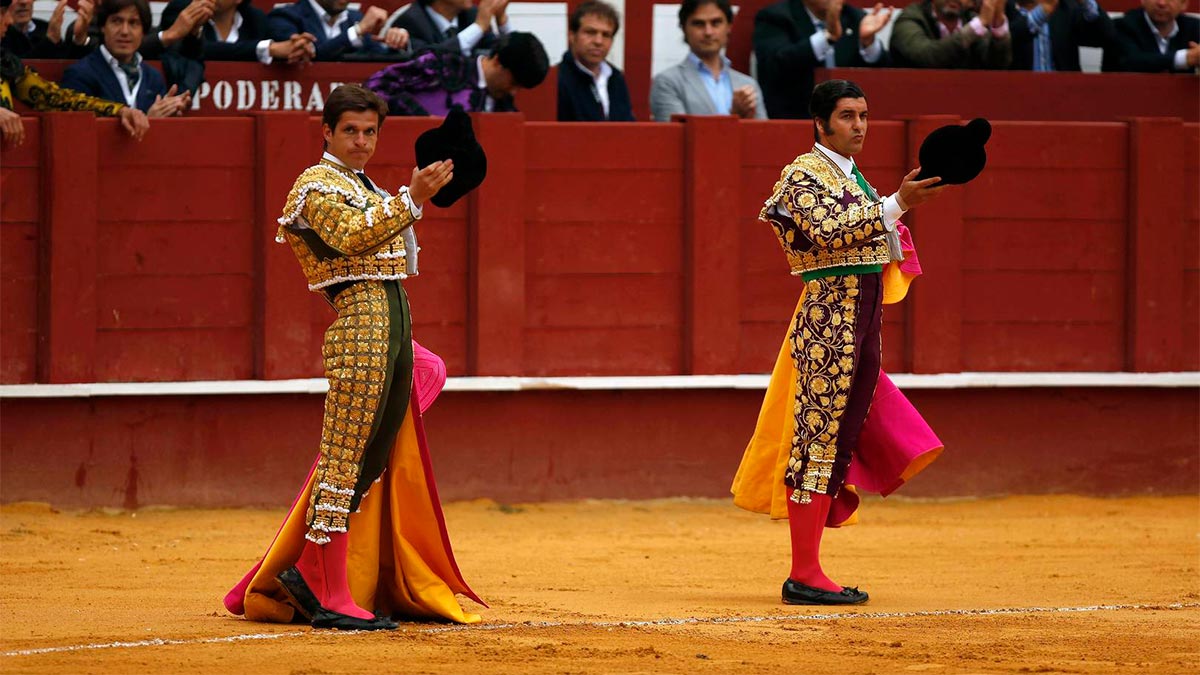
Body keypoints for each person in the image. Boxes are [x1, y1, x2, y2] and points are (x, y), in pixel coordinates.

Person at [222, 84, 484, 630]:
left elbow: (393, 249)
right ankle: (328, 589)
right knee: (344, 462)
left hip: (390, 326)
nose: (362, 142)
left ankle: (316, 577)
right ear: (327, 131)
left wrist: (414, 199)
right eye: (350, 131)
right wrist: (411, 200)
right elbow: (350, 238)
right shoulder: (314, 186)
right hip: (361, 329)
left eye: (370, 132)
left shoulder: (361, 185)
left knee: (371, 454)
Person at [731, 80, 946, 606]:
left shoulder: (854, 180)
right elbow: (829, 230)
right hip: (829, 326)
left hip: (859, 324)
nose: (860, 126)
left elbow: (877, 237)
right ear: (820, 123)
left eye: (865, 115)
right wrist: (897, 203)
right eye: (848, 116)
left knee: (837, 440)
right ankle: (804, 571)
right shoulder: (803, 174)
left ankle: (810, 568)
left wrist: (897, 202)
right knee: (817, 441)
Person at [0, 0, 149, 146]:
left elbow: (55, 99)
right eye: (1, 13)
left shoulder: (5, 63)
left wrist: (119, 110)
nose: (9, 20)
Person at [753, 0, 893, 119]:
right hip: (795, 120)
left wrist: (868, 43)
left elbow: (884, 77)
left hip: (848, 124)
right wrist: (827, 38)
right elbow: (775, 65)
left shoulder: (855, 18)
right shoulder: (775, 17)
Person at [365, 30, 548, 116]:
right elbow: (376, 85)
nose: (513, 92)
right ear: (498, 61)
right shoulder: (442, 66)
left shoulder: (505, 108)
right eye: (513, 82)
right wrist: (422, 119)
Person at [59, 0, 192, 116]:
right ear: (103, 27)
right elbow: (77, 134)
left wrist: (167, 113)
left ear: (143, 31)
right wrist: (150, 121)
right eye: (116, 21)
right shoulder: (79, 74)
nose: (124, 31)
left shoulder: (153, 78)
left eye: (133, 23)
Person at [650, 0, 766, 121]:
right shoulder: (668, 82)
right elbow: (674, 137)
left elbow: (763, 136)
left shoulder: (748, 84)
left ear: (729, 27)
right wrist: (734, 117)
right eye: (699, 24)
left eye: (716, 23)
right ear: (684, 28)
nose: (708, 32)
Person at [160, 0, 316, 63]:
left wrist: (296, 47)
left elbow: (278, 48)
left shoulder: (255, 19)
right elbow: (201, 50)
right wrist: (267, 49)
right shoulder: (181, 11)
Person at [558, 0, 634, 122]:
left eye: (606, 35)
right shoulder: (557, 80)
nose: (598, 41)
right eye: (590, 32)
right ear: (572, 36)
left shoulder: (616, 78)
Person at [267, 0, 409, 61]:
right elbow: (312, 54)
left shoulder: (355, 18)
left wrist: (396, 42)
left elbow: (375, 55)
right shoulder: (285, 16)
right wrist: (357, 31)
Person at [890, 0, 1013, 68]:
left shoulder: (971, 19)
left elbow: (996, 65)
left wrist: (998, 26)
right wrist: (977, 26)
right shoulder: (911, 18)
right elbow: (926, 56)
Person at [1005, 0, 1114, 71]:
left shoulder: (1066, 8)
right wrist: (1042, 13)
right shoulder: (1004, 7)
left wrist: (1087, 3)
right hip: (1018, 94)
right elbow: (1005, 42)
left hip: (1064, 93)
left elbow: (1106, 37)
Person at [1101, 0, 1199, 73]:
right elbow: (1133, 62)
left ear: (1184, 4)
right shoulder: (1121, 26)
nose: (1162, 3)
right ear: (1143, 0)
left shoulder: (1193, 28)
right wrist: (1186, 58)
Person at [386, 0, 510, 56]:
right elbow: (431, 58)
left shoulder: (471, 15)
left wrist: (502, 21)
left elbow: (504, 56)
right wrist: (478, 27)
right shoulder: (410, 21)